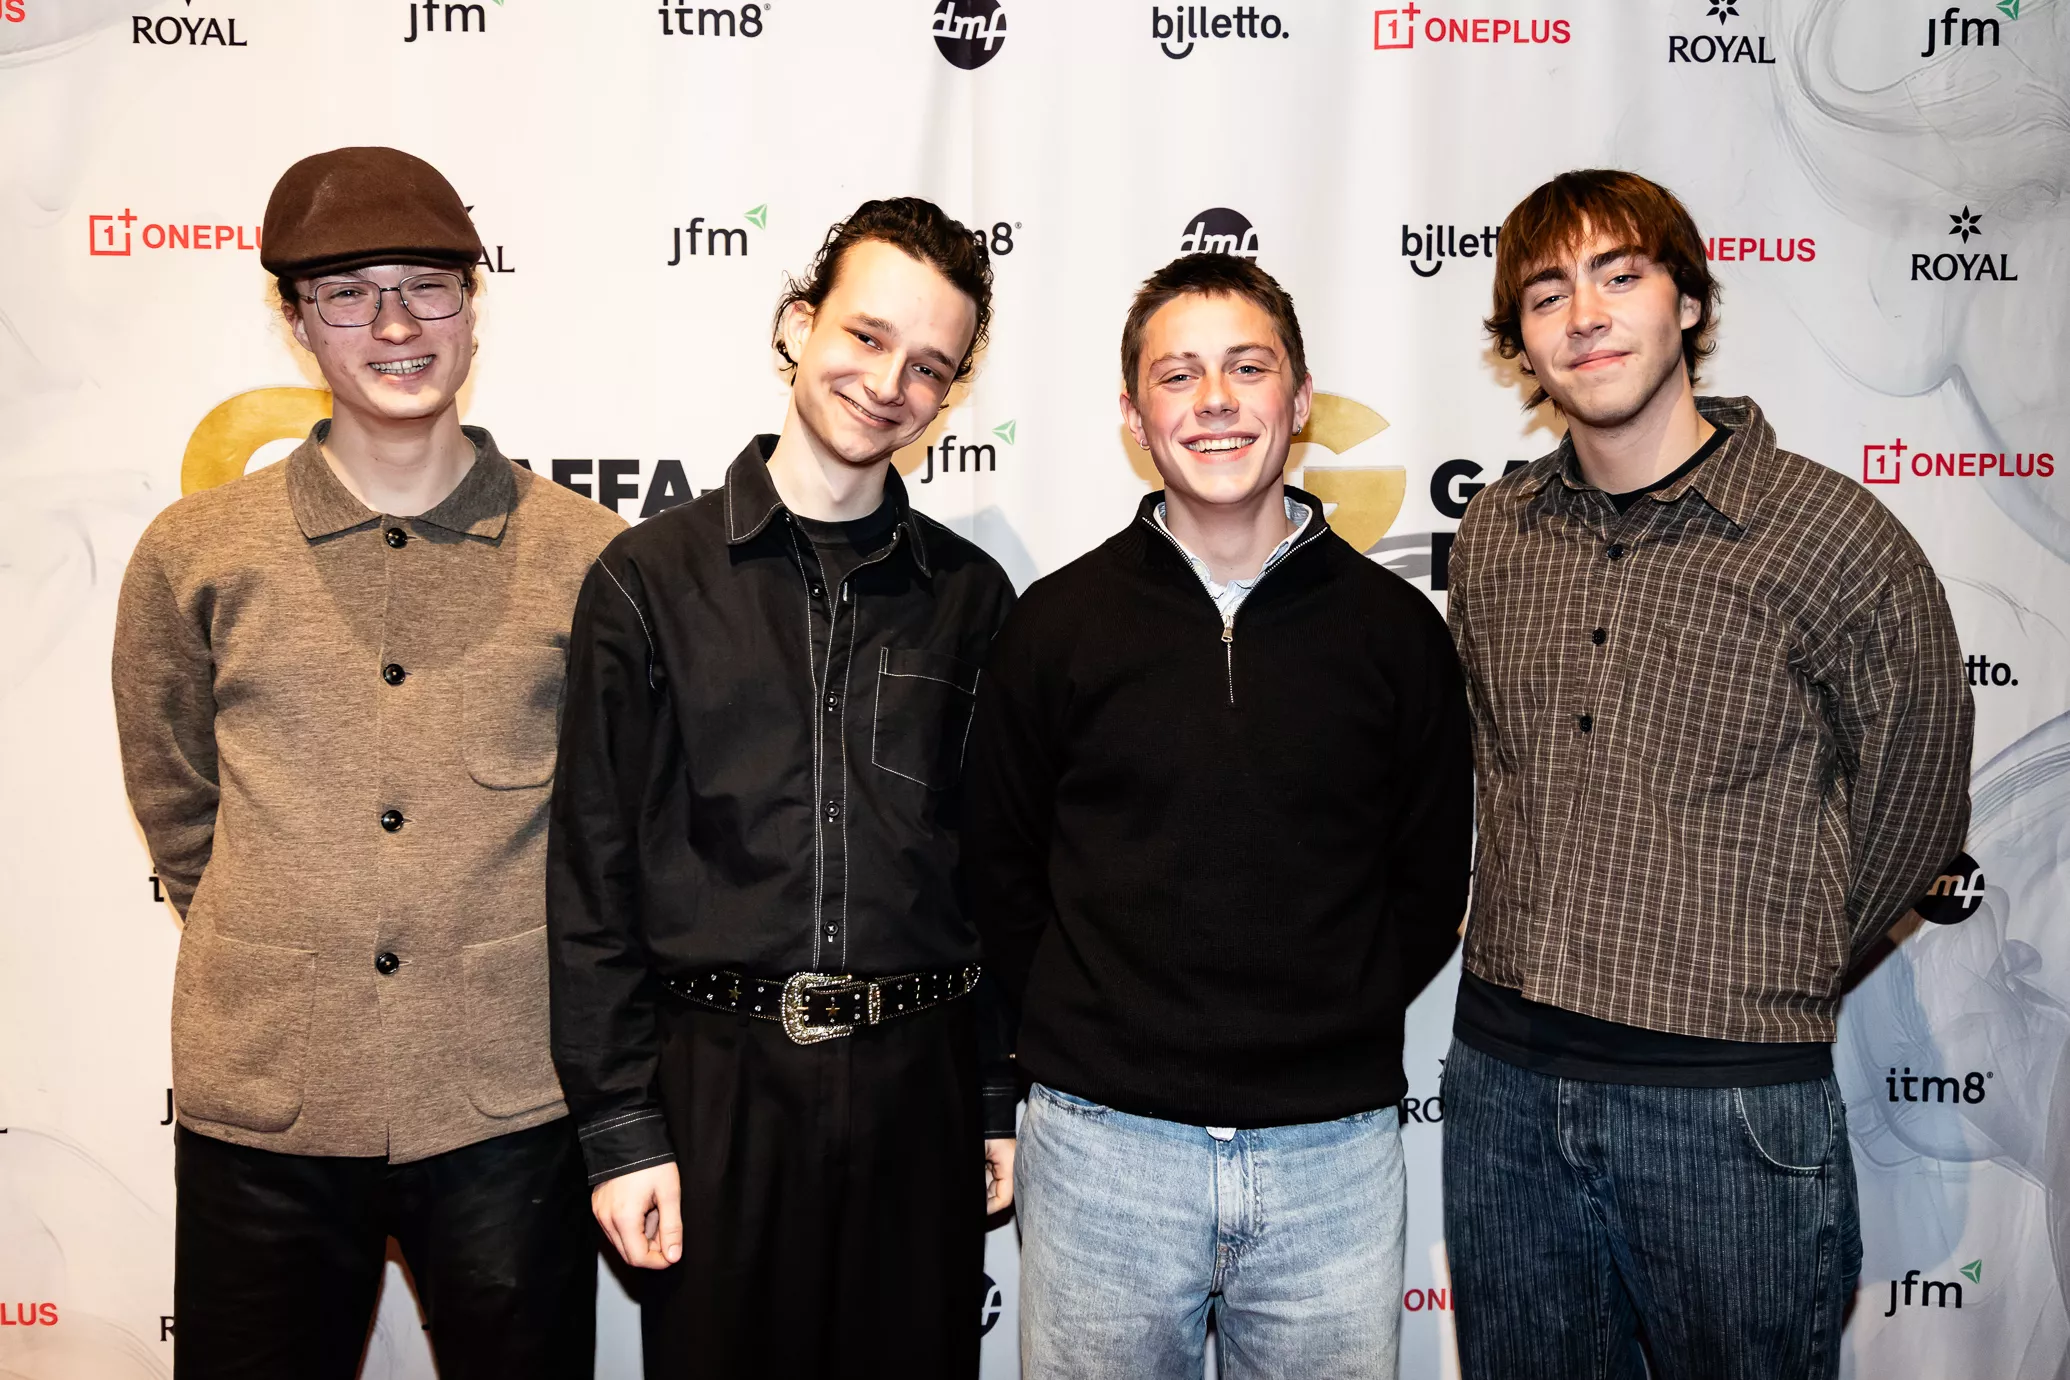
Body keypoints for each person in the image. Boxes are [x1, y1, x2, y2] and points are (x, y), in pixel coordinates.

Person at [1442, 168, 1974, 1380]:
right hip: (1505, 1092)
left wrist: (1761, 971)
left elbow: (1915, 804)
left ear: (1687, 301)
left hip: (1727, 1108)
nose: (1585, 316)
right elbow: (1492, 765)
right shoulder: (1498, 534)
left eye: (1620, 276)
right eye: (1547, 294)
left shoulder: (1833, 537)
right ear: (1520, 342)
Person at [111, 146, 623, 1379]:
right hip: (265, 1099)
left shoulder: (590, 557)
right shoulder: (195, 552)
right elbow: (175, 795)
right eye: (347, 293)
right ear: (296, 322)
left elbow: (611, 829)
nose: (395, 326)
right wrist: (286, 925)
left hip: (508, 1094)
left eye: (427, 287)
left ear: (474, 307)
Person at [963, 251, 1472, 1379]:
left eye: (1248, 368)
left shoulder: (1396, 634)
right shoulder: (1055, 626)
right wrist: (1104, 1030)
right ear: (1134, 415)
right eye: (1178, 374)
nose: (1215, 401)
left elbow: (1431, 880)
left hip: (1333, 1157)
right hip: (1101, 1153)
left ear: (1300, 399)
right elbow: (1001, 872)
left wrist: (1328, 1013)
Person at [547, 197, 1016, 1379]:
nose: (889, 384)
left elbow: (997, 873)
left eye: (929, 366)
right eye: (865, 335)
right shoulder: (646, 580)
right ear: (799, 327)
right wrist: (620, 1127)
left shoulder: (973, 597)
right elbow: (592, 878)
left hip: (920, 1092)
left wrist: (994, 1096)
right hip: (716, 1091)